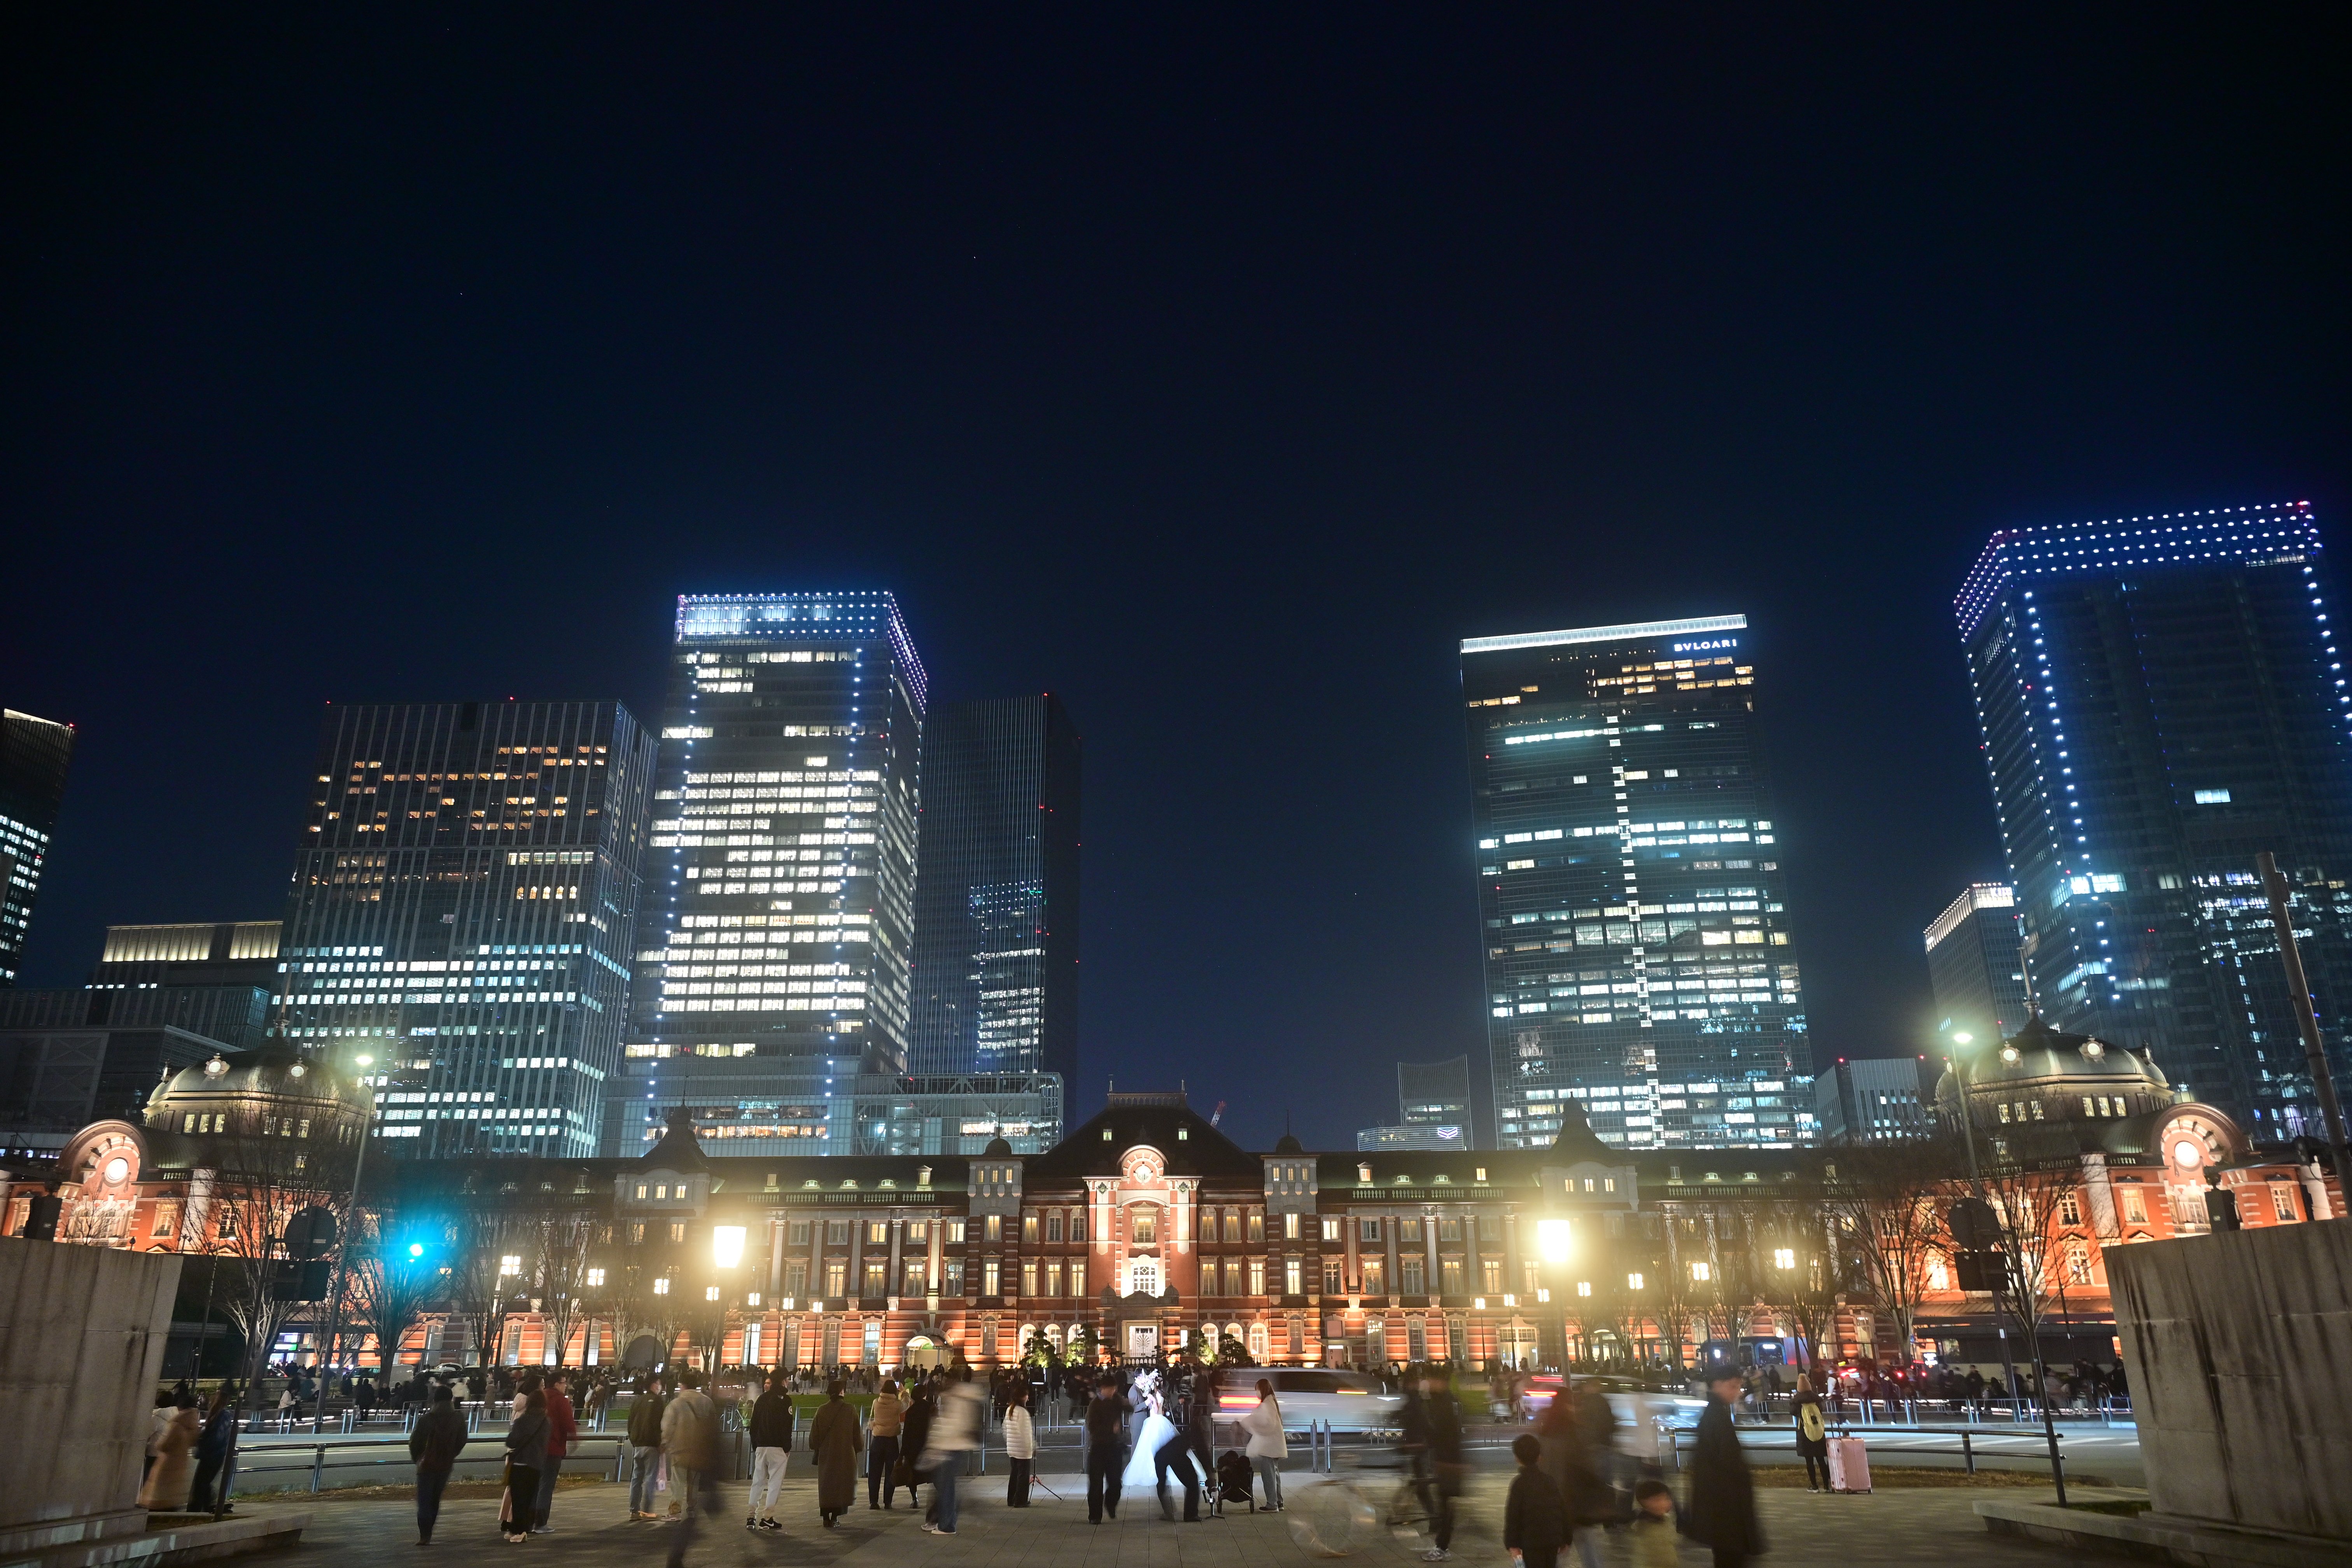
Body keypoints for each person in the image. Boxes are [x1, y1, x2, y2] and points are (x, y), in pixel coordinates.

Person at [1680, 1367, 1762, 1568]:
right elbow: (1723, 1465)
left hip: (1724, 1510)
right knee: (1730, 1559)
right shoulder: (1715, 1419)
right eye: (1733, 1386)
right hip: (1726, 1511)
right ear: (1717, 1385)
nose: (1738, 1391)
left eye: (1739, 1386)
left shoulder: (1716, 1415)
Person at [660, 1370, 721, 1567]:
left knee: (678, 1480)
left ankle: (675, 1509)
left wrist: (665, 1443)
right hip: (699, 1451)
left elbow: (668, 1427)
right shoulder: (707, 1402)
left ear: (682, 1385)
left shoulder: (676, 1404)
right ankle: (692, 1508)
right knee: (694, 1481)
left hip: (680, 1449)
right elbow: (713, 1426)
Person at [1403, 1370, 1463, 1561]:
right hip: (1447, 1460)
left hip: (1449, 1462)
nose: (1427, 1383)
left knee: (1447, 1507)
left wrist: (1425, 1445)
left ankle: (1442, 1548)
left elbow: (1444, 1434)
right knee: (1446, 1506)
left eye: (1430, 1380)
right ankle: (1442, 1545)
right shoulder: (1443, 1401)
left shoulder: (1443, 1404)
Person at [923, 1365, 984, 1535]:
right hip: (951, 1446)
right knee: (944, 1486)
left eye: (946, 1380)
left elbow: (954, 1425)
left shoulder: (958, 1397)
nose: (943, 1383)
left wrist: (937, 1443)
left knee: (946, 1487)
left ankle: (947, 1524)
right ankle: (943, 1520)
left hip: (951, 1446)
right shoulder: (959, 1396)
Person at [408, 1384, 468, 1545]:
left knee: (424, 1500)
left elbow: (415, 1443)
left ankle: (424, 1534)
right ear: (451, 1399)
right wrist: (451, 1454)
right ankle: (429, 1531)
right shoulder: (458, 1418)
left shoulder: (427, 1419)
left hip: (426, 1465)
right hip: (446, 1464)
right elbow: (462, 1440)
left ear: (435, 1400)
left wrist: (419, 1459)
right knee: (435, 1499)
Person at [1504, 1434, 1568, 1568]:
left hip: (1531, 1542)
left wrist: (1512, 1544)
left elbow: (1513, 1516)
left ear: (1517, 1458)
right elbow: (1562, 1509)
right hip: (1552, 1540)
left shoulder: (1519, 1485)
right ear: (1539, 1457)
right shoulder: (1549, 1481)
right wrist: (1566, 1538)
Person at [808, 1379, 863, 1529]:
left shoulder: (821, 1410)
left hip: (826, 1455)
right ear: (841, 1392)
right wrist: (858, 1448)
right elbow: (857, 1435)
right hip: (846, 1455)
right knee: (842, 1487)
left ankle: (825, 1516)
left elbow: (814, 1437)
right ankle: (835, 1518)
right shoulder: (850, 1410)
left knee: (827, 1485)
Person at [747, 1370, 795, 1530]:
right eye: (786, 1380)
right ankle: (767, 1517)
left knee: (758, 1481)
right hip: (778, 1448)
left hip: (761, 1446)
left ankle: (751, 1516)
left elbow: (753, 1425)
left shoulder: (762, 1399)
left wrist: (756, 1445)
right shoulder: (785, 1400)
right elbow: (787, 1427)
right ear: (782, 1382)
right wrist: (787, 1448)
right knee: (775, 1483)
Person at [502, 1388, 550, 1544]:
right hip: (537, 1464)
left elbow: (511, 1442)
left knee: (518, 1499)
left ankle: (520, 1530)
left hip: (521, 1463)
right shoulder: (547, 1422)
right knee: (529, 1499)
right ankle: (519, 1529)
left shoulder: (522, 1421)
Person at [138, 1393, 201, 1512]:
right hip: (181, 1462)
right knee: (171, 1492)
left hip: (166, 1463)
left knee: (157, 1493)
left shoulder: (177, 1424)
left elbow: (163, 1446)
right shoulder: (193, 1425)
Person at [533, 1369, 575, 1533]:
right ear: (557, 1384)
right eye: (565, 1383)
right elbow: (569, 1425)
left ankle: (528, 1521)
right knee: (546, 1486)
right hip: (554, 1449)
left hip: (536, 1449)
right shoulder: (560, 1401)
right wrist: (575, 1441)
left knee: (534, 1486)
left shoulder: (538, 1398)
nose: (566, 1386)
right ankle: (541, 1523)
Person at [188, 1387, 238, 1516]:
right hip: (214, 1455)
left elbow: (216, 1438)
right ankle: (207, 1508)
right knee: (203, 1484)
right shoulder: (220, 1415)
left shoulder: (222, 1416)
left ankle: (196, 1511)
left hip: (212, 1455)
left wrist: (201, 1440)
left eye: (214, 1397)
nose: (210, 1400)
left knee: (201, 1484)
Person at [1085, 1377, 1129, 1523]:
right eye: (1111, 1389)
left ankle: (1111, 1504)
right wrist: (1111, 1429)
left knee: (1116, 1482)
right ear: (1103, 1389)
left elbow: (1129, 1408)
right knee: (1096, 1483)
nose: (1114, 1392)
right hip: (1099, 1447)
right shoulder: (1095, 1405)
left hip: (1114, 1447)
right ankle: (1095, 1516)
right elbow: (1092, 1428)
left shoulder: (1116, 1399)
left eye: (1115, 1389)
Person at [1241, 1378, 1286, 1514]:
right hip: (1275, 1446)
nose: (1257, 1393)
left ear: (1262, 1390)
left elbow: (1266, 1424)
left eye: (1257, 1390)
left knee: (1269, 1475)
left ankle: (1272, 1504)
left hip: (1270, 1447)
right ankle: (1279, 1501)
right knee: (1275, 1474)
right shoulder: (1272, 1403)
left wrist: (1247, 1422)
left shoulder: (1267, 1404)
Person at [625, 1375, 667, 1521]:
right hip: (652, 1445)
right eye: (659, 1383)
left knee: (636, 1477)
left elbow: (630, 1422)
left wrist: (633, 1439)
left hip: (638, 1444)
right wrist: (661, 1442)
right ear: (653, 1385)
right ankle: (646, 1511)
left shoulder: (638, 1401)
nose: (660, 1386)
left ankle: (634, 1511)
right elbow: (661, 1423)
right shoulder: (658, 1401)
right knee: (650, 1477)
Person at [868, 1379, 905, 1509]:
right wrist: (904, 1392)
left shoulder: (876, 1403)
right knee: (891, 1472)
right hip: (891, 1440)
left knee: (874, 1472)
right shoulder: (897, 1405)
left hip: (877, 1440)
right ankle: (888, 1501)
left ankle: (873, 1501)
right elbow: (907, 1404)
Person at [1790, 1373, 1828, 1493]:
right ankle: (1827, 1486)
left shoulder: (1797, 1401)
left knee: (1809, 1462)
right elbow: (1821, 1411)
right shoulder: (1817, 1399)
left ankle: (1814, 1486)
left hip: (1804, 1432)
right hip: (1818, 1431)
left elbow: (1792, 1412)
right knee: (1821, 1459)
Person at [1628, 1479, 1678, 1568]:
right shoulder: (1641, 1527)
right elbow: (1641, 1558)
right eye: (1658, 1500)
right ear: (1644, 1502)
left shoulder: (1667, 1520)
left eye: (1666, 1498)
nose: (1664, 1503)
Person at [1003, 1382, 1036, 1507]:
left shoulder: (1010, 1410)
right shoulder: (1022, 1412)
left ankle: (1011, 1499)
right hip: (1022, 1449)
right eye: (1027, 1395)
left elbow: (1005, 1429)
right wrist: (1032, 1446)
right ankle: (1021, 1500)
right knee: (1023, 1476)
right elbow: (1026, 1433)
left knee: (1014, 1474)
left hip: (1012, 1448)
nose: (1028, 1397)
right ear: (1023, 1397)